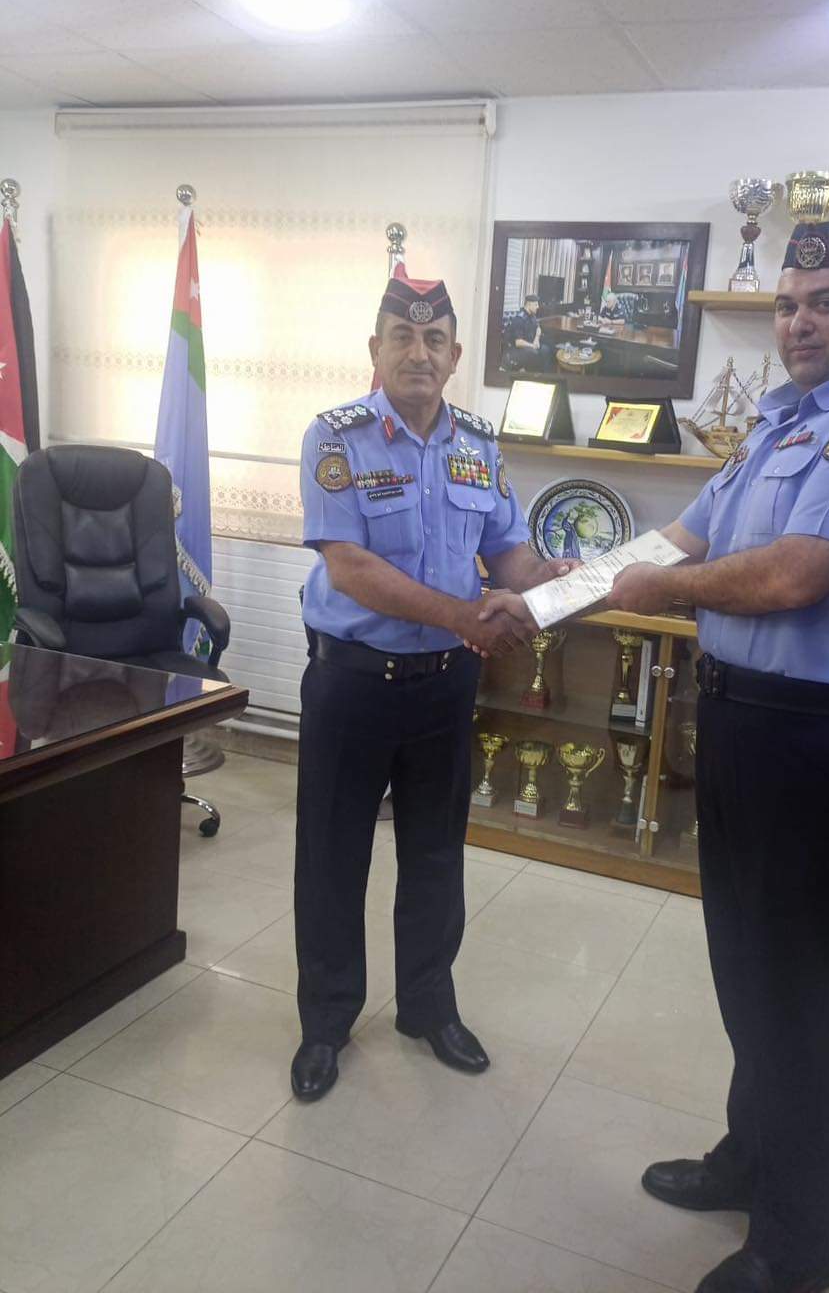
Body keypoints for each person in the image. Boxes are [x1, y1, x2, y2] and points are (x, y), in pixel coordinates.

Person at [606, 219, 829, 1293]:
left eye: (826, 301)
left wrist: (656, 591)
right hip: (751, 723)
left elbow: (791, 576)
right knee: (747, 969)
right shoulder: (778, 422)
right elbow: (685, 539)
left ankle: (798, 1249)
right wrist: (554, 594)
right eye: (786, 304)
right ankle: (750, 1160)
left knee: (807, 996)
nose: (800, 322)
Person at [291, 271, 567, 1102]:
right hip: (353, 682)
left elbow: (508, 553)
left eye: (434, 340)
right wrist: (465, 615)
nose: (419, 352)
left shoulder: (478, 443)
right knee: (333, 857)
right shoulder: (335, 437)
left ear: (454, 357)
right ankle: (326, 1022)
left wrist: (555, 581)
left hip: (445, 685)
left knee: (437, 854)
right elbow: (352, 568)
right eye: (403, 337)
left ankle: (427, 1007)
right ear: (375, 350)